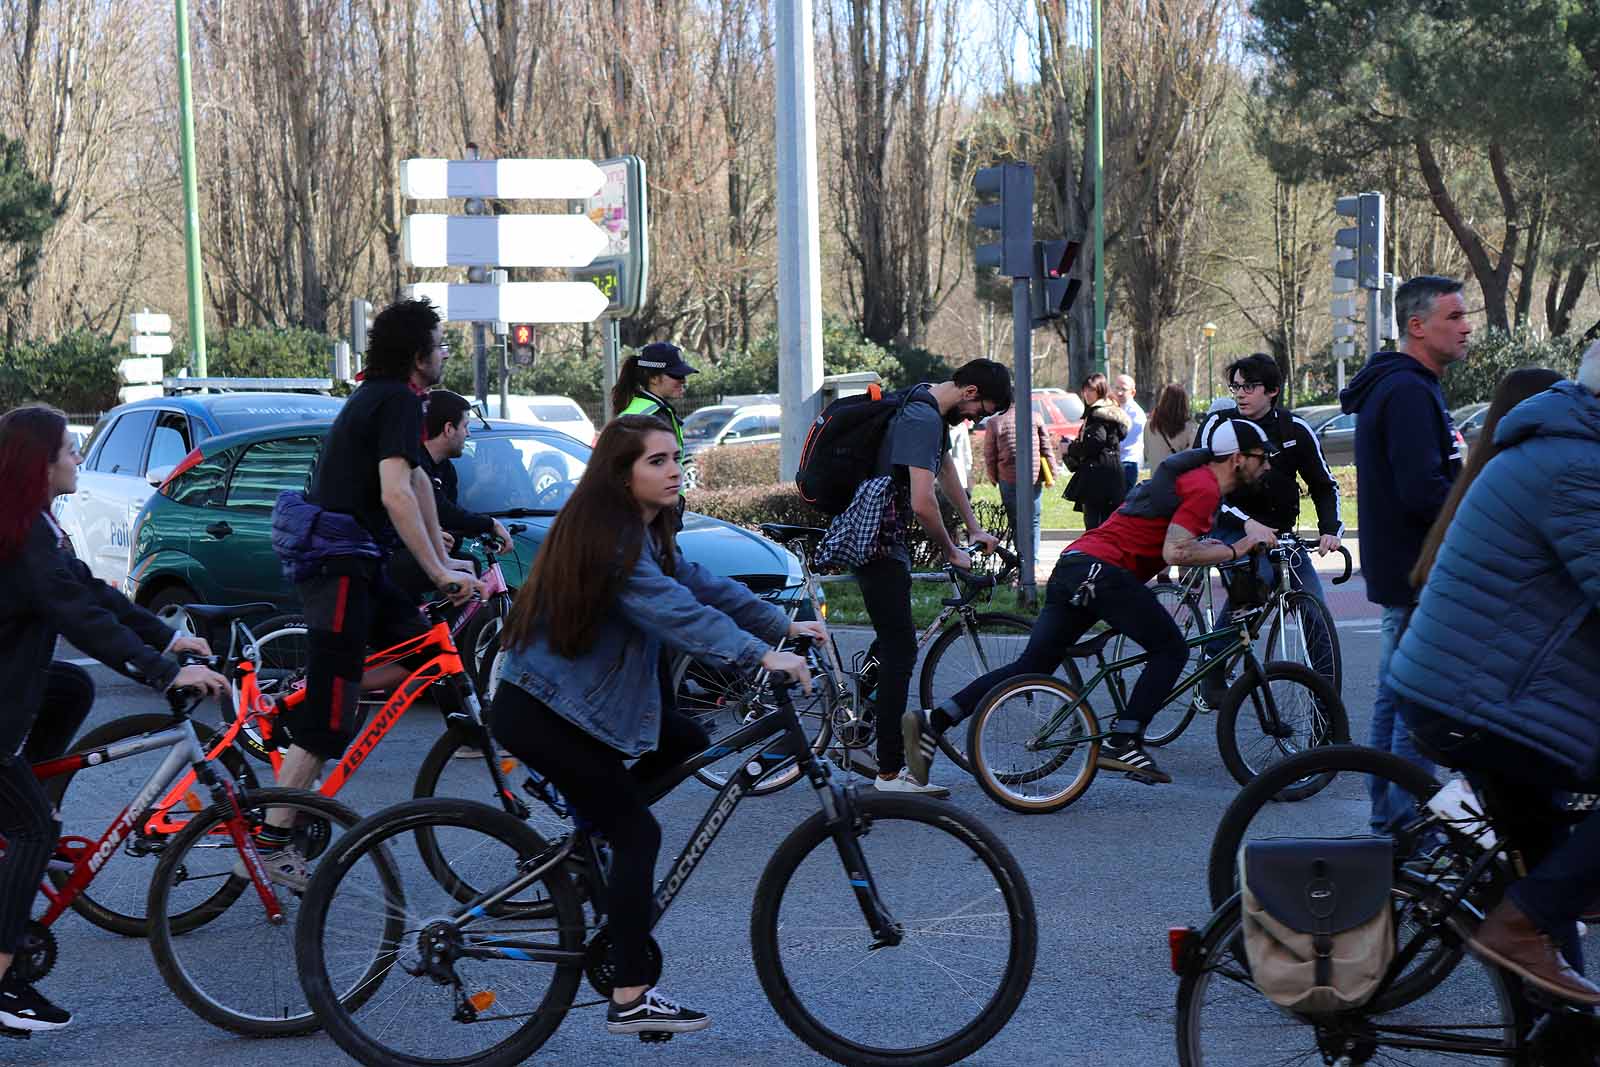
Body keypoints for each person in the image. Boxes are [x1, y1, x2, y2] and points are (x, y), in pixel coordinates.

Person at [491, 414, 820, 1037]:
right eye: (657, 462)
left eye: (675, 458)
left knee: (688, 740)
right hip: (543, 710)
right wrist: (757, 655)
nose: (674, 471)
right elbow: (674, 612)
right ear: (622, 476)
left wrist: (780, 626)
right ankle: (630, 992)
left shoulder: (644, 532)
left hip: (576, 706)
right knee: (638, 833)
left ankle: (594, 830)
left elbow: (699, 584)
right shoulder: (609, 540)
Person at [0, 404, 227, 1033]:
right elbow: (81, 621)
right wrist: (161, 672)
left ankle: (28, 792)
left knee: (69, 687)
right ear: (40, 465)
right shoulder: (23, 536)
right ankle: (2, 980)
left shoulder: (34, 525)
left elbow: (91, 593)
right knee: (33, 833)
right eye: (69, 452)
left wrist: (165, 637)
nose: (79, 459)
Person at [1386, 348, 1599, 1004]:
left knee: (1543, 873)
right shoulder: (1573, 468)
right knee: (1535, 904)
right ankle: (1521, 924)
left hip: (1478, 694)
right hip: (1481, 703)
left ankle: (1554, 1030)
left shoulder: (1565, 452)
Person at [905, 418, 1277, 787]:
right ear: (1238, 459)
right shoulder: (1204, 487)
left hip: (1076, 566)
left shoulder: (1194, 481)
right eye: (1263, 458)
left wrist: (1228, 545)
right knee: (1171, 649)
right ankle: (1123, 739)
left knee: (1032, 665)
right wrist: (1235, 548)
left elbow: (1176, 540)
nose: (1268, 466)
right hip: (1104, 573)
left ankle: (934, 720)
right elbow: (1176, 550)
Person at [268, 299, 485, 885]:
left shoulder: (398, 401)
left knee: (421, 652)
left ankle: (315, 688)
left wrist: (446, 561)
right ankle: (274, 835)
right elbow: (395, 494)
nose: (445, 353)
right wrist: (439, 574)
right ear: (417, 356)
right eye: (440, 344)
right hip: (336, 564)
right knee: (330, 720)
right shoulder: (390, 398)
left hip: (360, 561)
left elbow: (418, 482)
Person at [1338, 275, 1470, 831]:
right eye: (1454, 317)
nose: (1466, 328)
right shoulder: (1410, 391)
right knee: (1415, 708)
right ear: (1417, 327)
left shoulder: (1400, 386)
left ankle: (1390, 822)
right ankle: (1405, 827)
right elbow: (1423, 491)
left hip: (1401, 571)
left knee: (1395, 701)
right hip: (1419, 572)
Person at [852, 360, 1012, 795]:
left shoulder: (927, 402)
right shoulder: (923, 417)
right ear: (969, 391)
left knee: (891, 640)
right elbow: (923, 503)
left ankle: (858, 725)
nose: (974, 420)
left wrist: (973, 526)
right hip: (879, 542)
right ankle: (888, 772)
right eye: (978, 412)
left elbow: (945, 471)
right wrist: (952, 550)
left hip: (884, 539)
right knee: (901, 652)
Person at [1194, 353, 1343, 708]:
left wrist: (1330, 530)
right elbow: (1205, 489)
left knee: (1315, 612)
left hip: (1280, 534)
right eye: (1236, 386)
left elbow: (1323, 485)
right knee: (1256, 581)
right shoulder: (1221, 427)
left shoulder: (1295, 430)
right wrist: (1246, 524)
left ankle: (1327, 711)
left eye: (1250, 386)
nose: (1241, 394)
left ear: (1273, 391)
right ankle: (1210, 670)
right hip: (1230, 525)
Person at [390, 389, 513, 600]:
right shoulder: (412, 462)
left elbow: (452, 525)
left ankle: (446, 631)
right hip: (389, 557)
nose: (469, 434)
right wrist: (490, 523)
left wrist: (451, 539)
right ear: (448, 429)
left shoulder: (446, 470)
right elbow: (441, 510)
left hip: (425, 556)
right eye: (465, 426)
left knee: (470, 565)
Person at [983, 401, 1055, 563]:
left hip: (1007, 476)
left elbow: (990, 454)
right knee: (1033, 518)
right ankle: (1033, 559)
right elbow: (1046, 447)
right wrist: (1052, 472)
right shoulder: (1035, 418)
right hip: (1033, 475)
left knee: (1015, 518)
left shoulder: (995, 422)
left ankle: (1021, 558)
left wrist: (993, 476)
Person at [1062, 372, 1130, 529]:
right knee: (1108, 525)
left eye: (1091, 390)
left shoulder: (1098, 414)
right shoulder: (1109, 413)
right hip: (1111, 476)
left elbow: (1096, 442)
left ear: (1100, 391)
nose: (1086, 394)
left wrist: (1070, 447)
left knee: (1095, 527)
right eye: (1085, 390)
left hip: (1098, 479)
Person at [612, 341, 696, 453]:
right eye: (676, 374)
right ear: (653, 378)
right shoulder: (647, 418)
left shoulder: (656, 411)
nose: (683, 380)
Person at [1143, 383, 1196, 468]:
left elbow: (1147, 452)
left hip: (1157, 476)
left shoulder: (1150, 425)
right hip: (1178, 476)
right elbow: (1193, 454)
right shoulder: (1189, 427)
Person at [1115, 373, 1147, 491]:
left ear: (1133, 392)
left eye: (1123, 389)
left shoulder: (1136, 414)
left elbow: (1125, 443)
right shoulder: (1116, 408)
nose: (1119, 392)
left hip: (1128, 464)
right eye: (1117, 388)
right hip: (1117, 463)